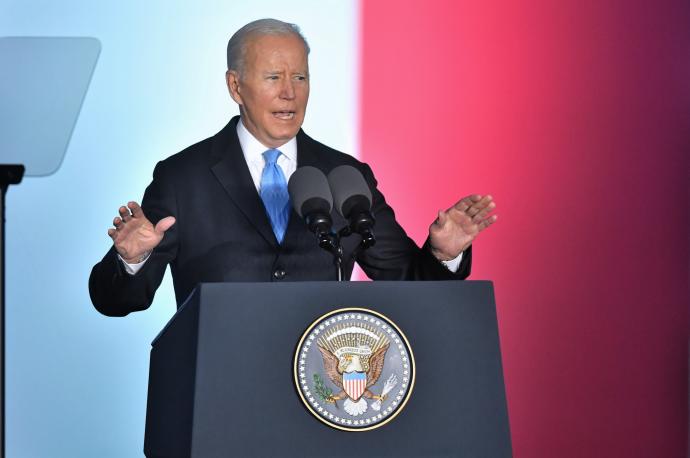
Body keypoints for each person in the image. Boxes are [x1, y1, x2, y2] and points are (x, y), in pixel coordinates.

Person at [89, 19, 497, 317]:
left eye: (300, 77)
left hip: (323, 396)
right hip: (219, 397)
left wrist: (445, 254)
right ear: (235, 86)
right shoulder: (182, 178)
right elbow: (117, 301)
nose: (289, 92)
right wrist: (130, 260)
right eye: (273, 77)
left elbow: (410, 281)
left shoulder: (346, 176)